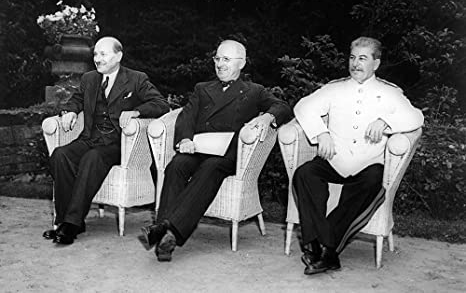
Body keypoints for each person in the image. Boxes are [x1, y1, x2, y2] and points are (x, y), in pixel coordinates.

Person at [141, 39, 292, 262]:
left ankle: (167, 231)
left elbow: (283, 107)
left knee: (212, 167)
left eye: (227, 59)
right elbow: (186, 116)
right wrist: (184, 140)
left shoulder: (254, 91)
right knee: (177, 164)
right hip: (199, 148)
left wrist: (268, 117)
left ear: (241, 63)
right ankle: (166, 234)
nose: (220, 64)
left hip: (228, 156)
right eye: (217, 59)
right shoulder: (202, 88)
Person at [292, 36, 424, 275]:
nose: (355, 63)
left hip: (367, 163)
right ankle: (317, 245)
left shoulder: (390, 92)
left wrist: (387, 122)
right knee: (304, 173)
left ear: (376, 63)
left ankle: (325, 249)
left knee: (373, 182)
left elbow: (417, 117)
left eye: (362, 58)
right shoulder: (334, 88)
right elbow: (303, 107)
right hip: (334, 159)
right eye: (352, 58)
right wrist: (321, 133)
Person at [43, 36, 170, 245]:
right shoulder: (89, 78)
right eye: (95, 54)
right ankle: (65, 220)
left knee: (92, 157)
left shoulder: (136, 79)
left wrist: (137, 111)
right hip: (90, 138)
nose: (97, 59)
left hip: (118, 144)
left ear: (118, 56)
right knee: (60, 155)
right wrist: (70, 111)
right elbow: (76, 99)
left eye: (103, 54)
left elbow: (161, 104)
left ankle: (72, 224)